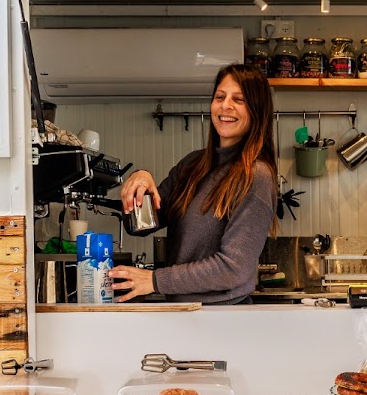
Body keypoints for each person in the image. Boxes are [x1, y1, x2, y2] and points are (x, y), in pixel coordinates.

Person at [109, 64, 277, 304]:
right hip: (183, 313)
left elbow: (233, 268)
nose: (225, 105)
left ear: (256, 111)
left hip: (224, 320)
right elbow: (139, 225)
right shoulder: (192, 165)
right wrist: (141, 180)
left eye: (238, 99)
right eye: (220, 97)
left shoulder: (256, 176)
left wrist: (155, 280)